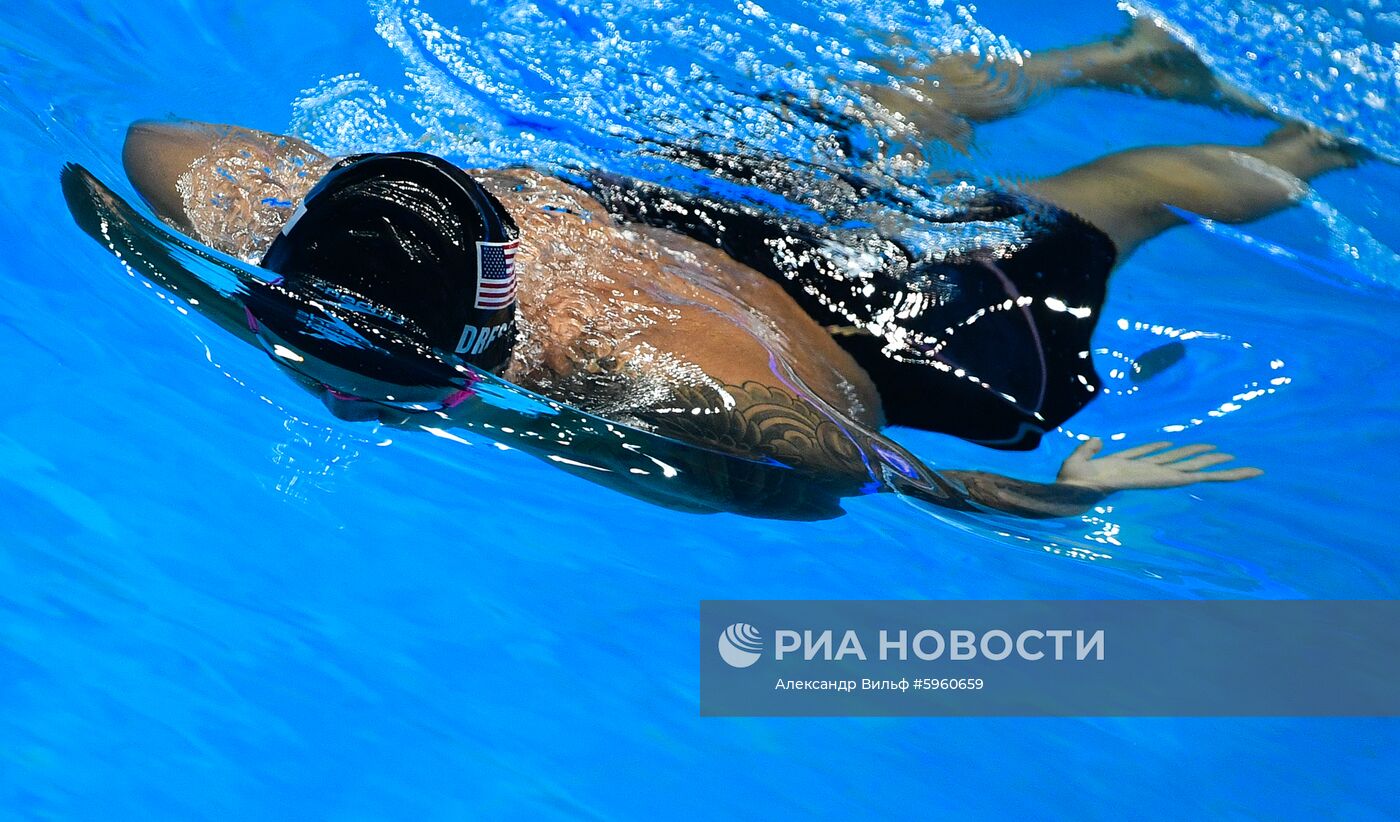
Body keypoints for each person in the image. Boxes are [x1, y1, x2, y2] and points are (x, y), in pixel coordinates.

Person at [69, 15, 1360, 520]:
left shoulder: (683, 378)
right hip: (645, 212)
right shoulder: (221, 185)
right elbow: (137, 154)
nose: (341, 386)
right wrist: (203, 284)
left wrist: (1058, 492)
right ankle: (1100, 60)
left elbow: (860, 476)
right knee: (887, 112)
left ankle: (1316, 135)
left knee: (1124, 196)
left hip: (859, 322)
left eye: (396, 366)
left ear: (498, 316)